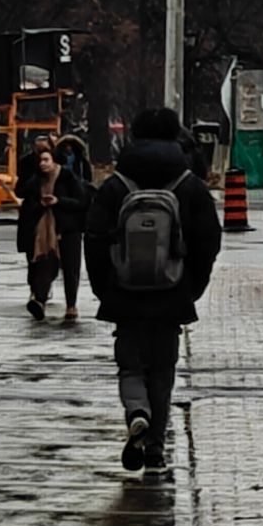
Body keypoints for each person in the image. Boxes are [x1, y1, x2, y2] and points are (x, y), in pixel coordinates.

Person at [83, 106, 223, 478]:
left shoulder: (116, 185)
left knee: (130, 366)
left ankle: (136, 413)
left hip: (124, 295)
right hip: (172, 294)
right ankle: (156, 450)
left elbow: (95, 239)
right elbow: (209, 239)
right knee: (163, 373)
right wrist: (192, 286)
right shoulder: (188, 185)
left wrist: (105, 288)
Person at [15, 140, 60, 323]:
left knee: (48, 259)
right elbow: (21, 191)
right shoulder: (29, 169)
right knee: (33, 258)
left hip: (52, 221)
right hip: (33, 218)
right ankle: (36, 291)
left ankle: (39, 293)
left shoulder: (60, 173)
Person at [49, 132, 91, 324]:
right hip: (56, 221)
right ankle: (42, 294)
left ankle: (70, 302)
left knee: (70, 266)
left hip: (70, 223)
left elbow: (83, 198)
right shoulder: (54, 171)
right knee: (51, 263)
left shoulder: (76, 171)